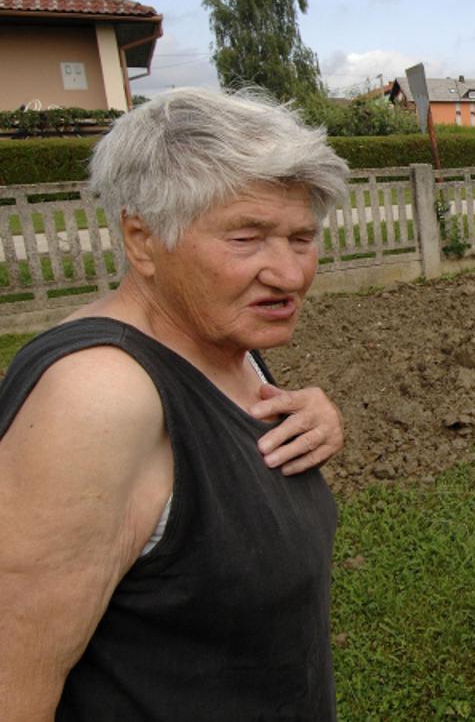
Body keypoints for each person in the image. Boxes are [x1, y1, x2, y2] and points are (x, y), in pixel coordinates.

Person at [0, 88, 350, 720]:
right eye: (247, 238)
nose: (291, 273)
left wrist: (315, 421)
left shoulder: (219, 339)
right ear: (141, 240)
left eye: (302, 237)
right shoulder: (96, 398)